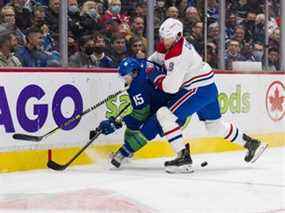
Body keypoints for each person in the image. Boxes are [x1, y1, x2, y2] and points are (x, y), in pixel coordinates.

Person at [145, 18, 267, 173]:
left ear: (178, 35)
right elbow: (156, 58)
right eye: (163, 37)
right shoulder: (175, 43)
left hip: (196, 90)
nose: (165, 41)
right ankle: (251, 144)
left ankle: (183, 157)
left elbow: (171, 88)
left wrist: (153, 75)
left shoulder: (178, 55)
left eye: (168, 38)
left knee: (164, 115)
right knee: (214, 127)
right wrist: (147, 65)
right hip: (207, 87)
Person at [97, 57, 174, 168]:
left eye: (125, 77)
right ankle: (127, 153)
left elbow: (140, 115)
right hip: (165, 95)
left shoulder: (137, 87)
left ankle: (123, 154)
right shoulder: (142, 65)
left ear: (134, 73)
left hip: (168, 105)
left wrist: (117, 122)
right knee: (134, 126)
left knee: (147, 129)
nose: (124, 80)